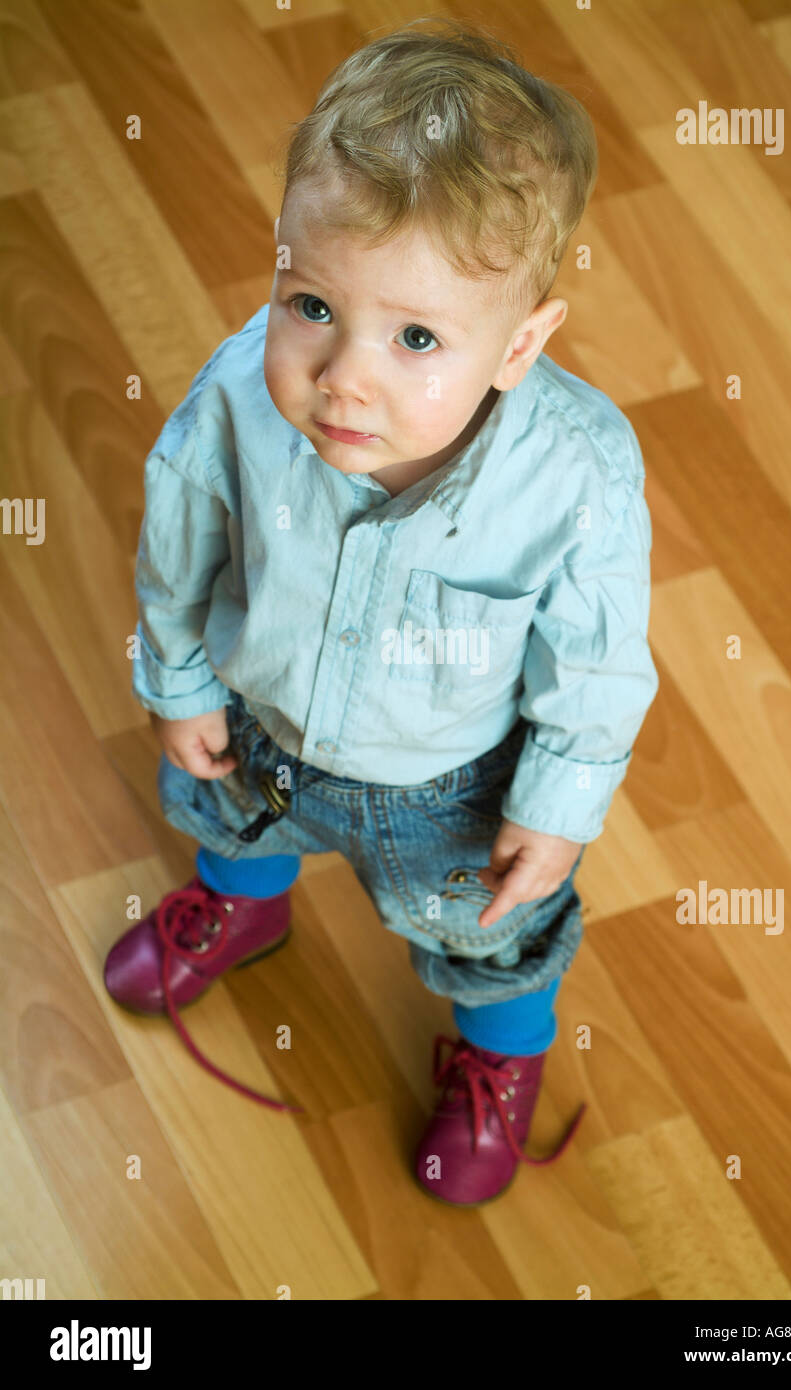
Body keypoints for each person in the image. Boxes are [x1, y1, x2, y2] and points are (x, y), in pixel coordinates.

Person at [104, 17, 659, 1207]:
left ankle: (499, 1057)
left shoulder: (575, 475)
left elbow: (596, 666)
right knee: (240, 821)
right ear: (279, 260)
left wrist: (556, 811)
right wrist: (180, 680)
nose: (342, 373)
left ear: (516, 346)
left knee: (489, 940)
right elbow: (180, 538)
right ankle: (242, 911)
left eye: (414, 337)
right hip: (259, 722)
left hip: (452, 796)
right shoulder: (239, 396)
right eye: (311, 303)